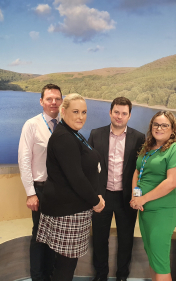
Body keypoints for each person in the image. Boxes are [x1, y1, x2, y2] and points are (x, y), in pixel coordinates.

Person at [36, 93, 105, 281]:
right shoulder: (64, 137)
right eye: (75, 111)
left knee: (66, 264)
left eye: (84, 112)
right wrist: (95, 200)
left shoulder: (73, 133)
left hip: (74, 209)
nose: (80, 116)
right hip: (67, 212)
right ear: (63, 111)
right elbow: (76, 178)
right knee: (65, 266)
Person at [88, 97, 145, 281]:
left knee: (126, 240)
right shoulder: (96, 134)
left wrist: (137, 196)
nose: (119, 116)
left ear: (129, 116)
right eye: (116, 112)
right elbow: (88, 167)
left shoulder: (139, 138)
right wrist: (93, 194)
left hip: (126, 198)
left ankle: (122, 276)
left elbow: (141, 170)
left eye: (124, 113)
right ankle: (101, 275)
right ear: (110, 112)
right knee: (99, 239)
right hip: (101, 197)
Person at [130, 111, 176, 281]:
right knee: (152, 256)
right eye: (156, 124)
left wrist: (143, 198)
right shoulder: (147, 147)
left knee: (161, 261)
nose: (159, 128)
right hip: (145, 210)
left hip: (162, 211)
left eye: (164, 125)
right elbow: (137, 171)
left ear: (172, 130)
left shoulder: (175, 150)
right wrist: (136, 196)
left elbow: (171, 182)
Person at [18, 83, 62, 281]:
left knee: (56, 235)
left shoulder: (66, 124)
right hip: (41, 189)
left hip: (61, 190)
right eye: (49, 99)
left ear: (62, 101)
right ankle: (38, 276)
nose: (53, 102)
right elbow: (24, 159)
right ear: (41, 101)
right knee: (39, 234)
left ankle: (52, 274)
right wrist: (30, 192)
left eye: (57, 99)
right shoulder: (32, 125)